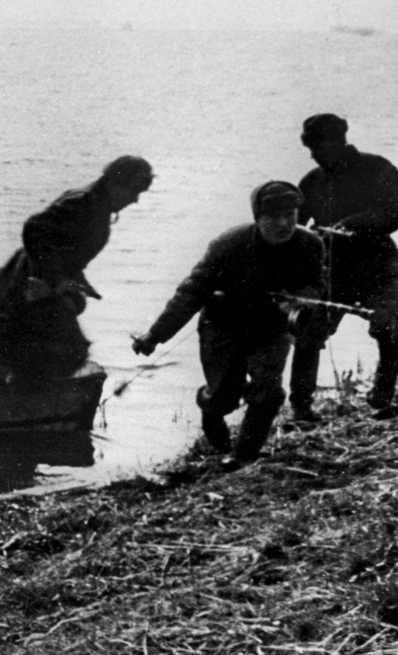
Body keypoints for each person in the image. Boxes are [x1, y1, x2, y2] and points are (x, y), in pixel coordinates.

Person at [133, 181, 325, 465]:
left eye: (291, 215)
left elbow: (318, 283)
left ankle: (243, 456)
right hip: (223, 326)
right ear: (257, 218)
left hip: (271, 329)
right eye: (273, 217)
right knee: (224, 396)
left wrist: (302, 300)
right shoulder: (229, 245)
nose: (283, 224)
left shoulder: (310, 244)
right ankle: (209, 408)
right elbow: (191, 292)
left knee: (268, 391)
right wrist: (154, 336)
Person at [0, 155, 154, 380]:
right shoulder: (83, 202)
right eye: (134, 191)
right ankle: (27, 403)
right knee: (63, 352)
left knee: (56, 352)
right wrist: (55, 279)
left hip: (36, 288)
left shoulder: (98, 208)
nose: (134, 200)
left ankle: (25, 402)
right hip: (17, 286)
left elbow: (64, 251)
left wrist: (78, 281)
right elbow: (34, 229)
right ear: (115, 182)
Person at [288, 113, 398, 422]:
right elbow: (295, 228)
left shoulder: (378, 168)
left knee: (388, 327)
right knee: (308, 329)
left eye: (317, 147)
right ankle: (301, 408)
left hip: (379, 266)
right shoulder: (311, 182)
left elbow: (395, 211)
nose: (312, 154)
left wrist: (357, 223)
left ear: (338, 141)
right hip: (331, 269)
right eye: (310, 148)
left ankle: (382, 399)